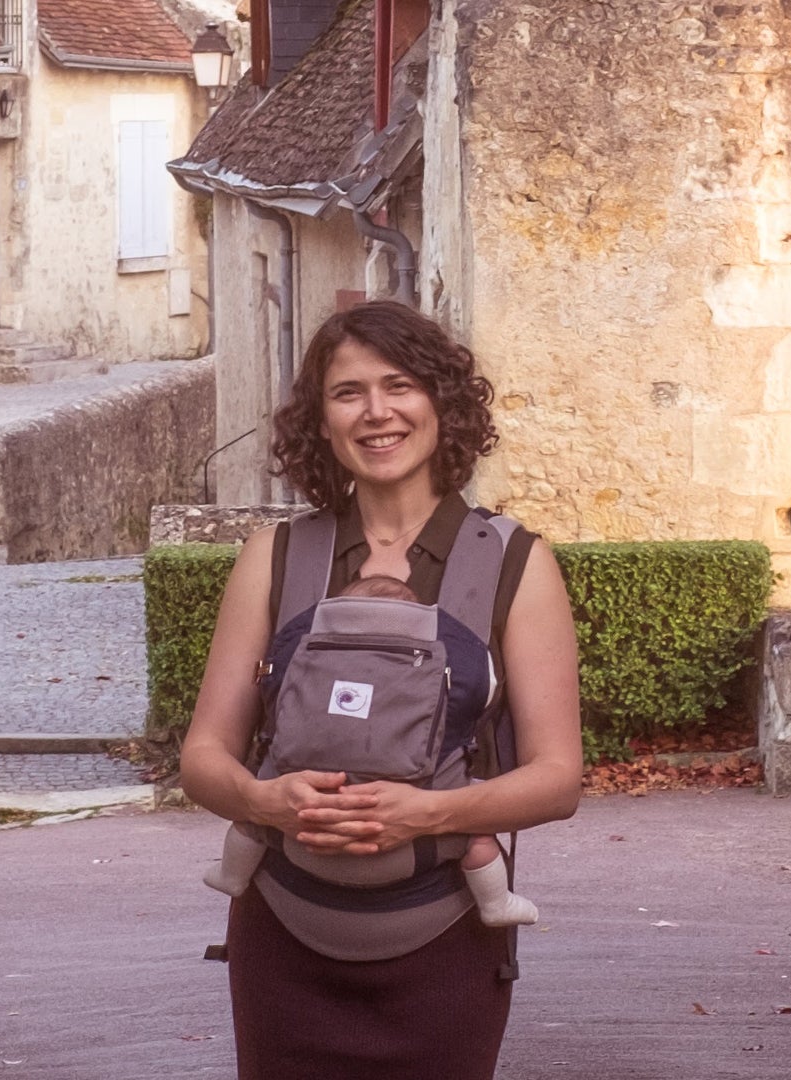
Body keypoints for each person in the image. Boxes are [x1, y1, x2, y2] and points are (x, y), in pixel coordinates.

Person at [179, 300, 583, 1080]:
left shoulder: (516, 565)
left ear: (441, 401)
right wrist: (266, 803)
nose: (376, 412)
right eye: (347, 392)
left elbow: (557, 779)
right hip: (282, 939)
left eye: (399, 385)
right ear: (320, 421)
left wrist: (429, 813)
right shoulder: (276, 555)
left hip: (445, 947)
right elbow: (203, 756)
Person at [202, 572, 540, 928]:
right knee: (479, 837)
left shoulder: (306, 639)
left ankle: (231, 875)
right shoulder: (444, 647)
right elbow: (481, 696)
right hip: (415, 787)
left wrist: (258, 800)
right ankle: (495, 902)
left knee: (252, 819)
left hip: (310, 783)